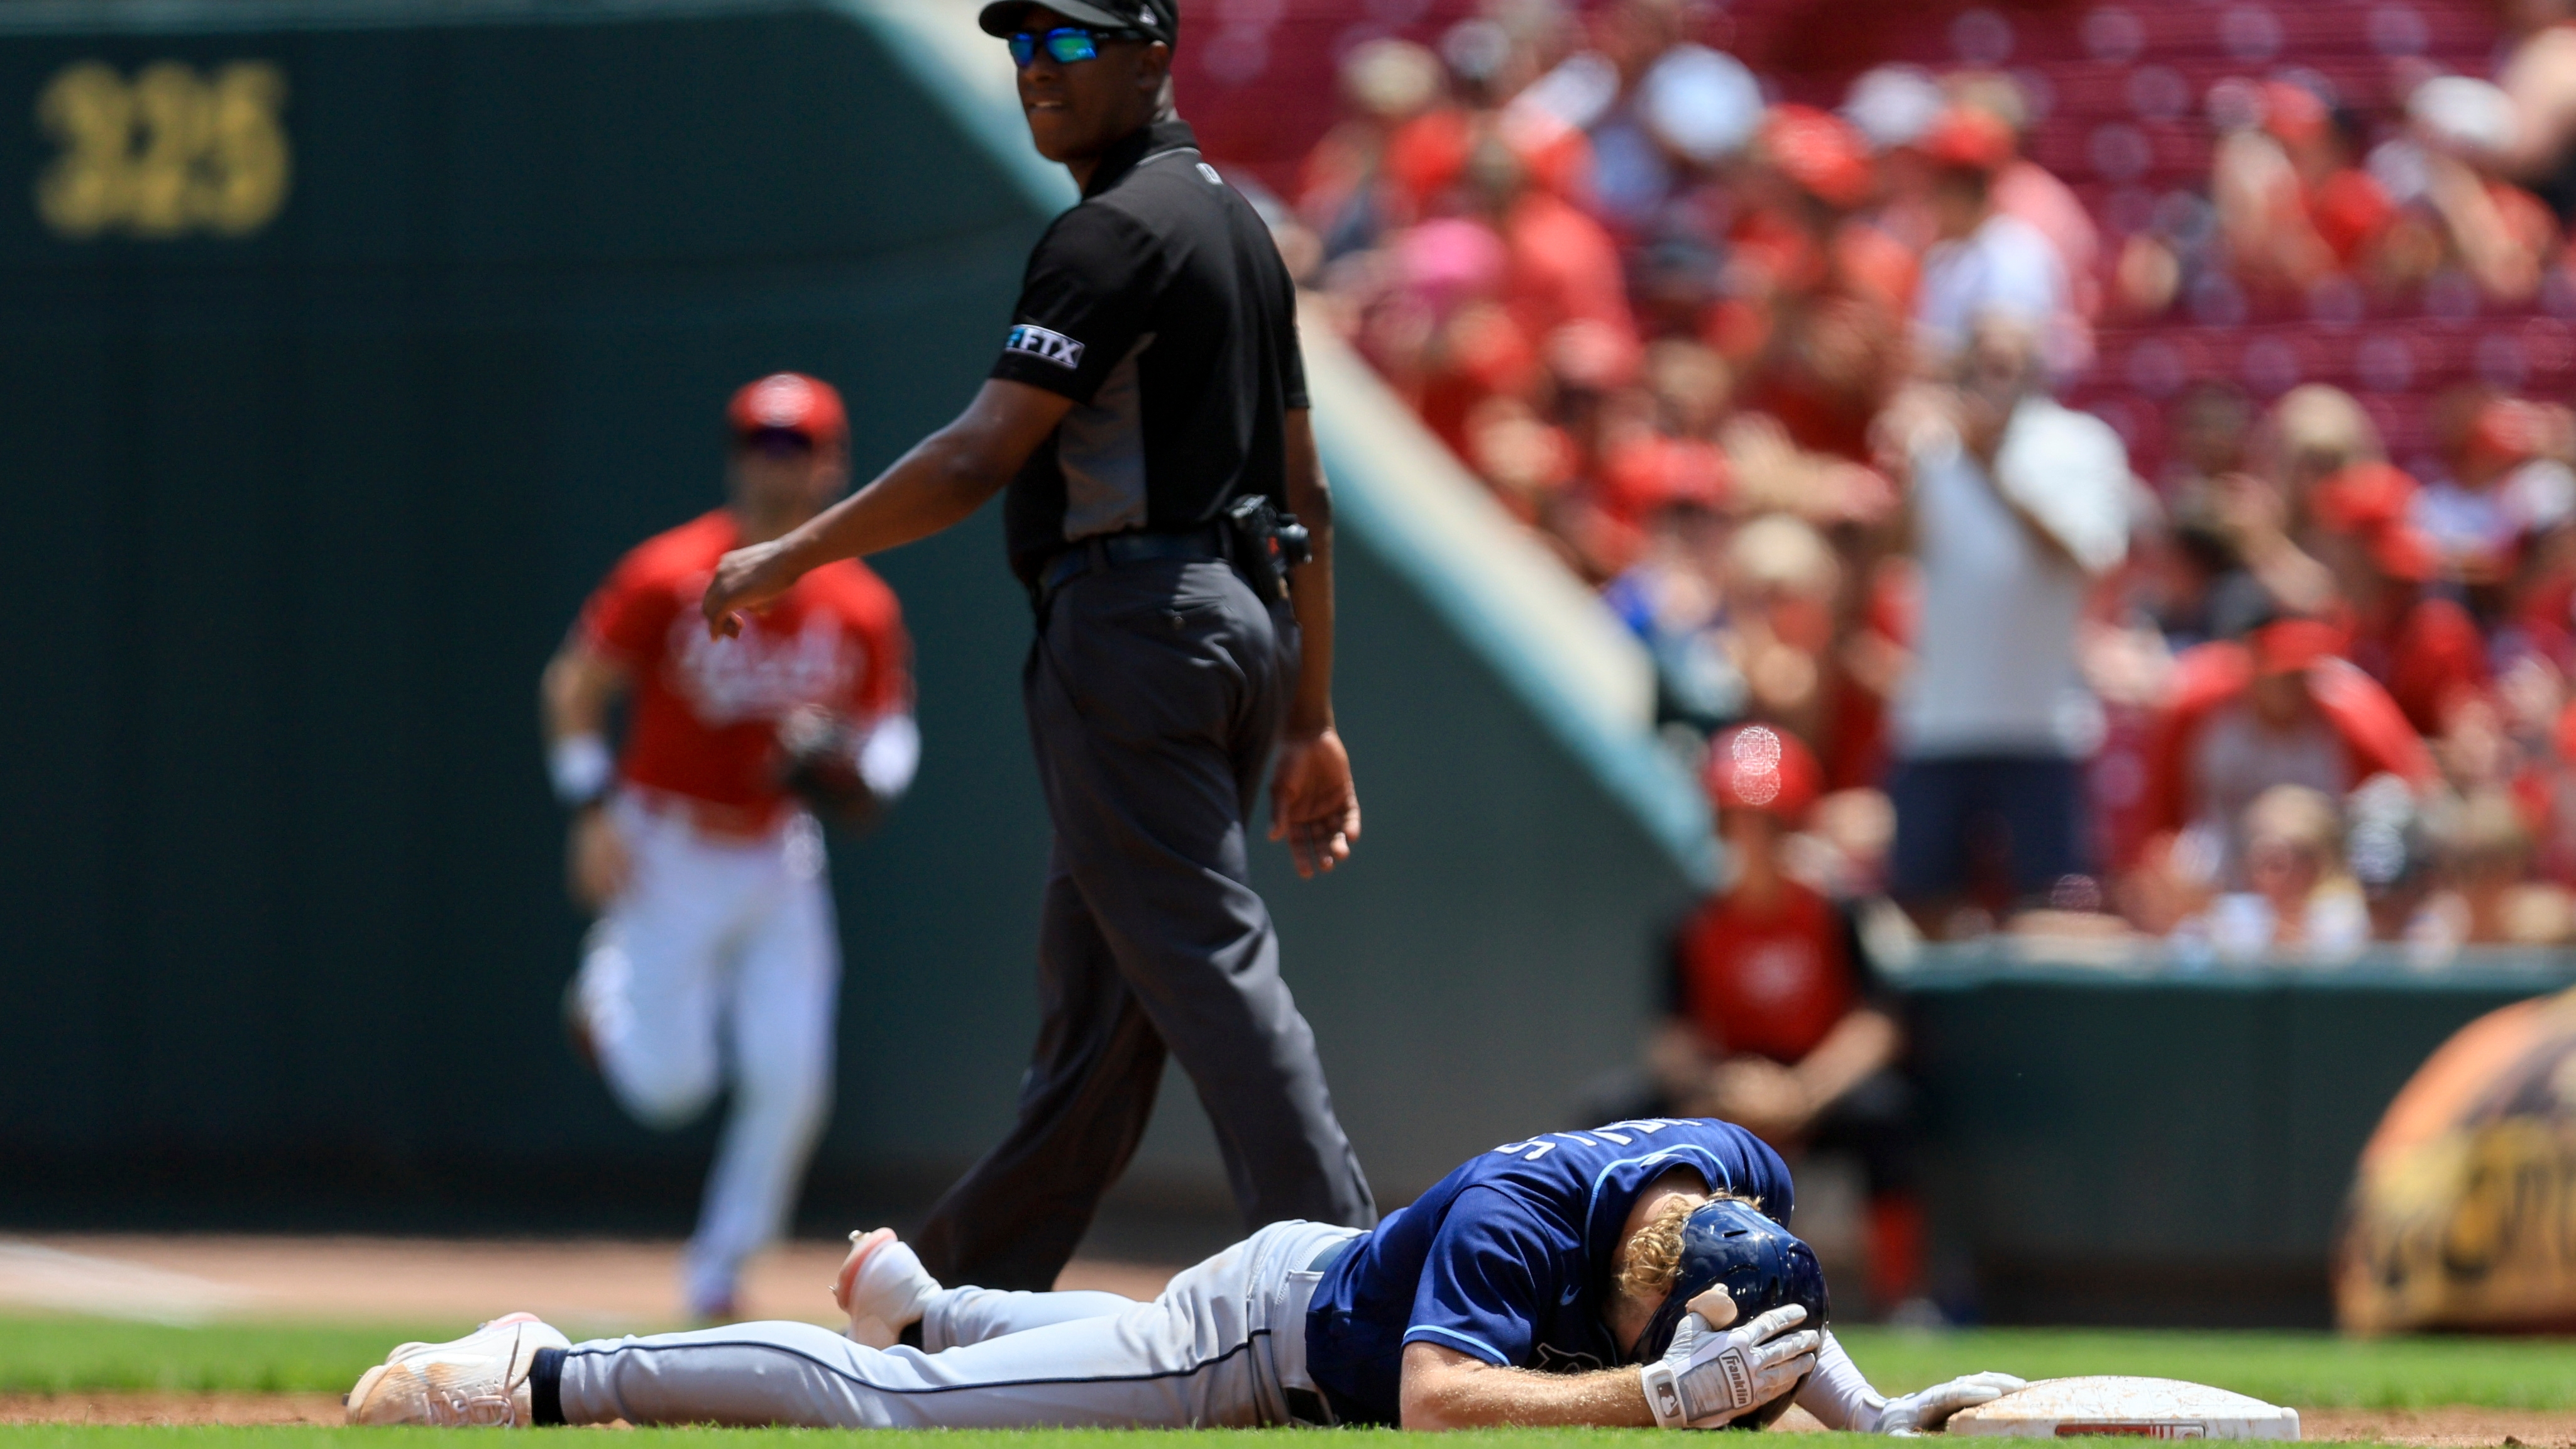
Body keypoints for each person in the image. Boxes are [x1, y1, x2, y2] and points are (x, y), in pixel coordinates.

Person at [694, 0, 1375, 1291]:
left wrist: (788, 553)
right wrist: (1308, 712)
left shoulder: (1110, 230)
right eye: (1021, 46)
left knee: (1205, 969)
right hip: (1229, 628)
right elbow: (1309, 496)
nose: (1037, 71)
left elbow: (976, 454)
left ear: (1152, 57)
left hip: (1134, 627)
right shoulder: (1237, 226)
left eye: (1073, 43)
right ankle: (951, 1300)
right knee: (1103, 1025)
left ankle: (1355, 1284)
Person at [341, 1117, 2025, 1431]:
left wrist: (1865, 1414)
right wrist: (1655, 1400)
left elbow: (1753, 1321)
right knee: (903, 1416)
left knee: (1025, 1342)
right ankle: (549, 1372)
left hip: (1303, 1288)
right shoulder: (1527, 1219)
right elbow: (1442, 1406)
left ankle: (942, 1302)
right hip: (1263, 1342)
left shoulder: (1737, 1174)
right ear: (1637, 1289)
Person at [540, 372, 918, 1320]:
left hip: (776, 853)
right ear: (736, 453)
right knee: (671, 1089)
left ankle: (718, 1273)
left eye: (797, 446)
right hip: (664, 843)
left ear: (834, 463)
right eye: (761, 443)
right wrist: (589, 806)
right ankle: (604, 994)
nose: (776, 464)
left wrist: (862, 771)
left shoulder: (859, 602)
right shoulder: (670, 571)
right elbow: (573, 687)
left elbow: (889, 730)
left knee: (792, 1075)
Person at [1631, 725, 1923, 1315]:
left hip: (1813, 1080)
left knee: (1887, 1114)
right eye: (1741, 821)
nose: (1756, 839)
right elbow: (1669, 1036)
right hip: (1726, 1083)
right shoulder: (1693, 923)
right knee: (1617, 1115)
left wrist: (1803, 1092)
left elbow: (1876, 1025)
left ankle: (1903, 1299)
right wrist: (1718, 1091)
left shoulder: (1837, 913)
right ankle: (1628, 1296)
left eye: (1772, 823)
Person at [1880, 319, 2129, 934]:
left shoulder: (2079, 444)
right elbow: (1892, 555)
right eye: (1980, 366)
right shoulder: (1932, 449)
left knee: (2053, 911)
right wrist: (1900, 460)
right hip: (1939, 720)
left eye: (2006, 365)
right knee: (1921, 909)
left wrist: (1991, 469)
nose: (1991, 381)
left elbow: (2084, 559)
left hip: (2041, 723)